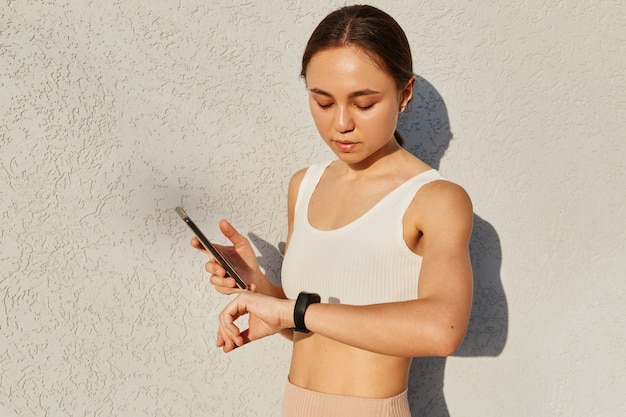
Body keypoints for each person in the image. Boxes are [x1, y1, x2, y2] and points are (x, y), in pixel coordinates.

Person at [190, 5, 473, 417]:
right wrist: (259, 289)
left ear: (404, 93)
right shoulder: (304, 185)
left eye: (364, 103)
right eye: (323, 102)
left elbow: (442, 329)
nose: (341, 123)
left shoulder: (434, 199)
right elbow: (318, 329)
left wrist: (292, 309)